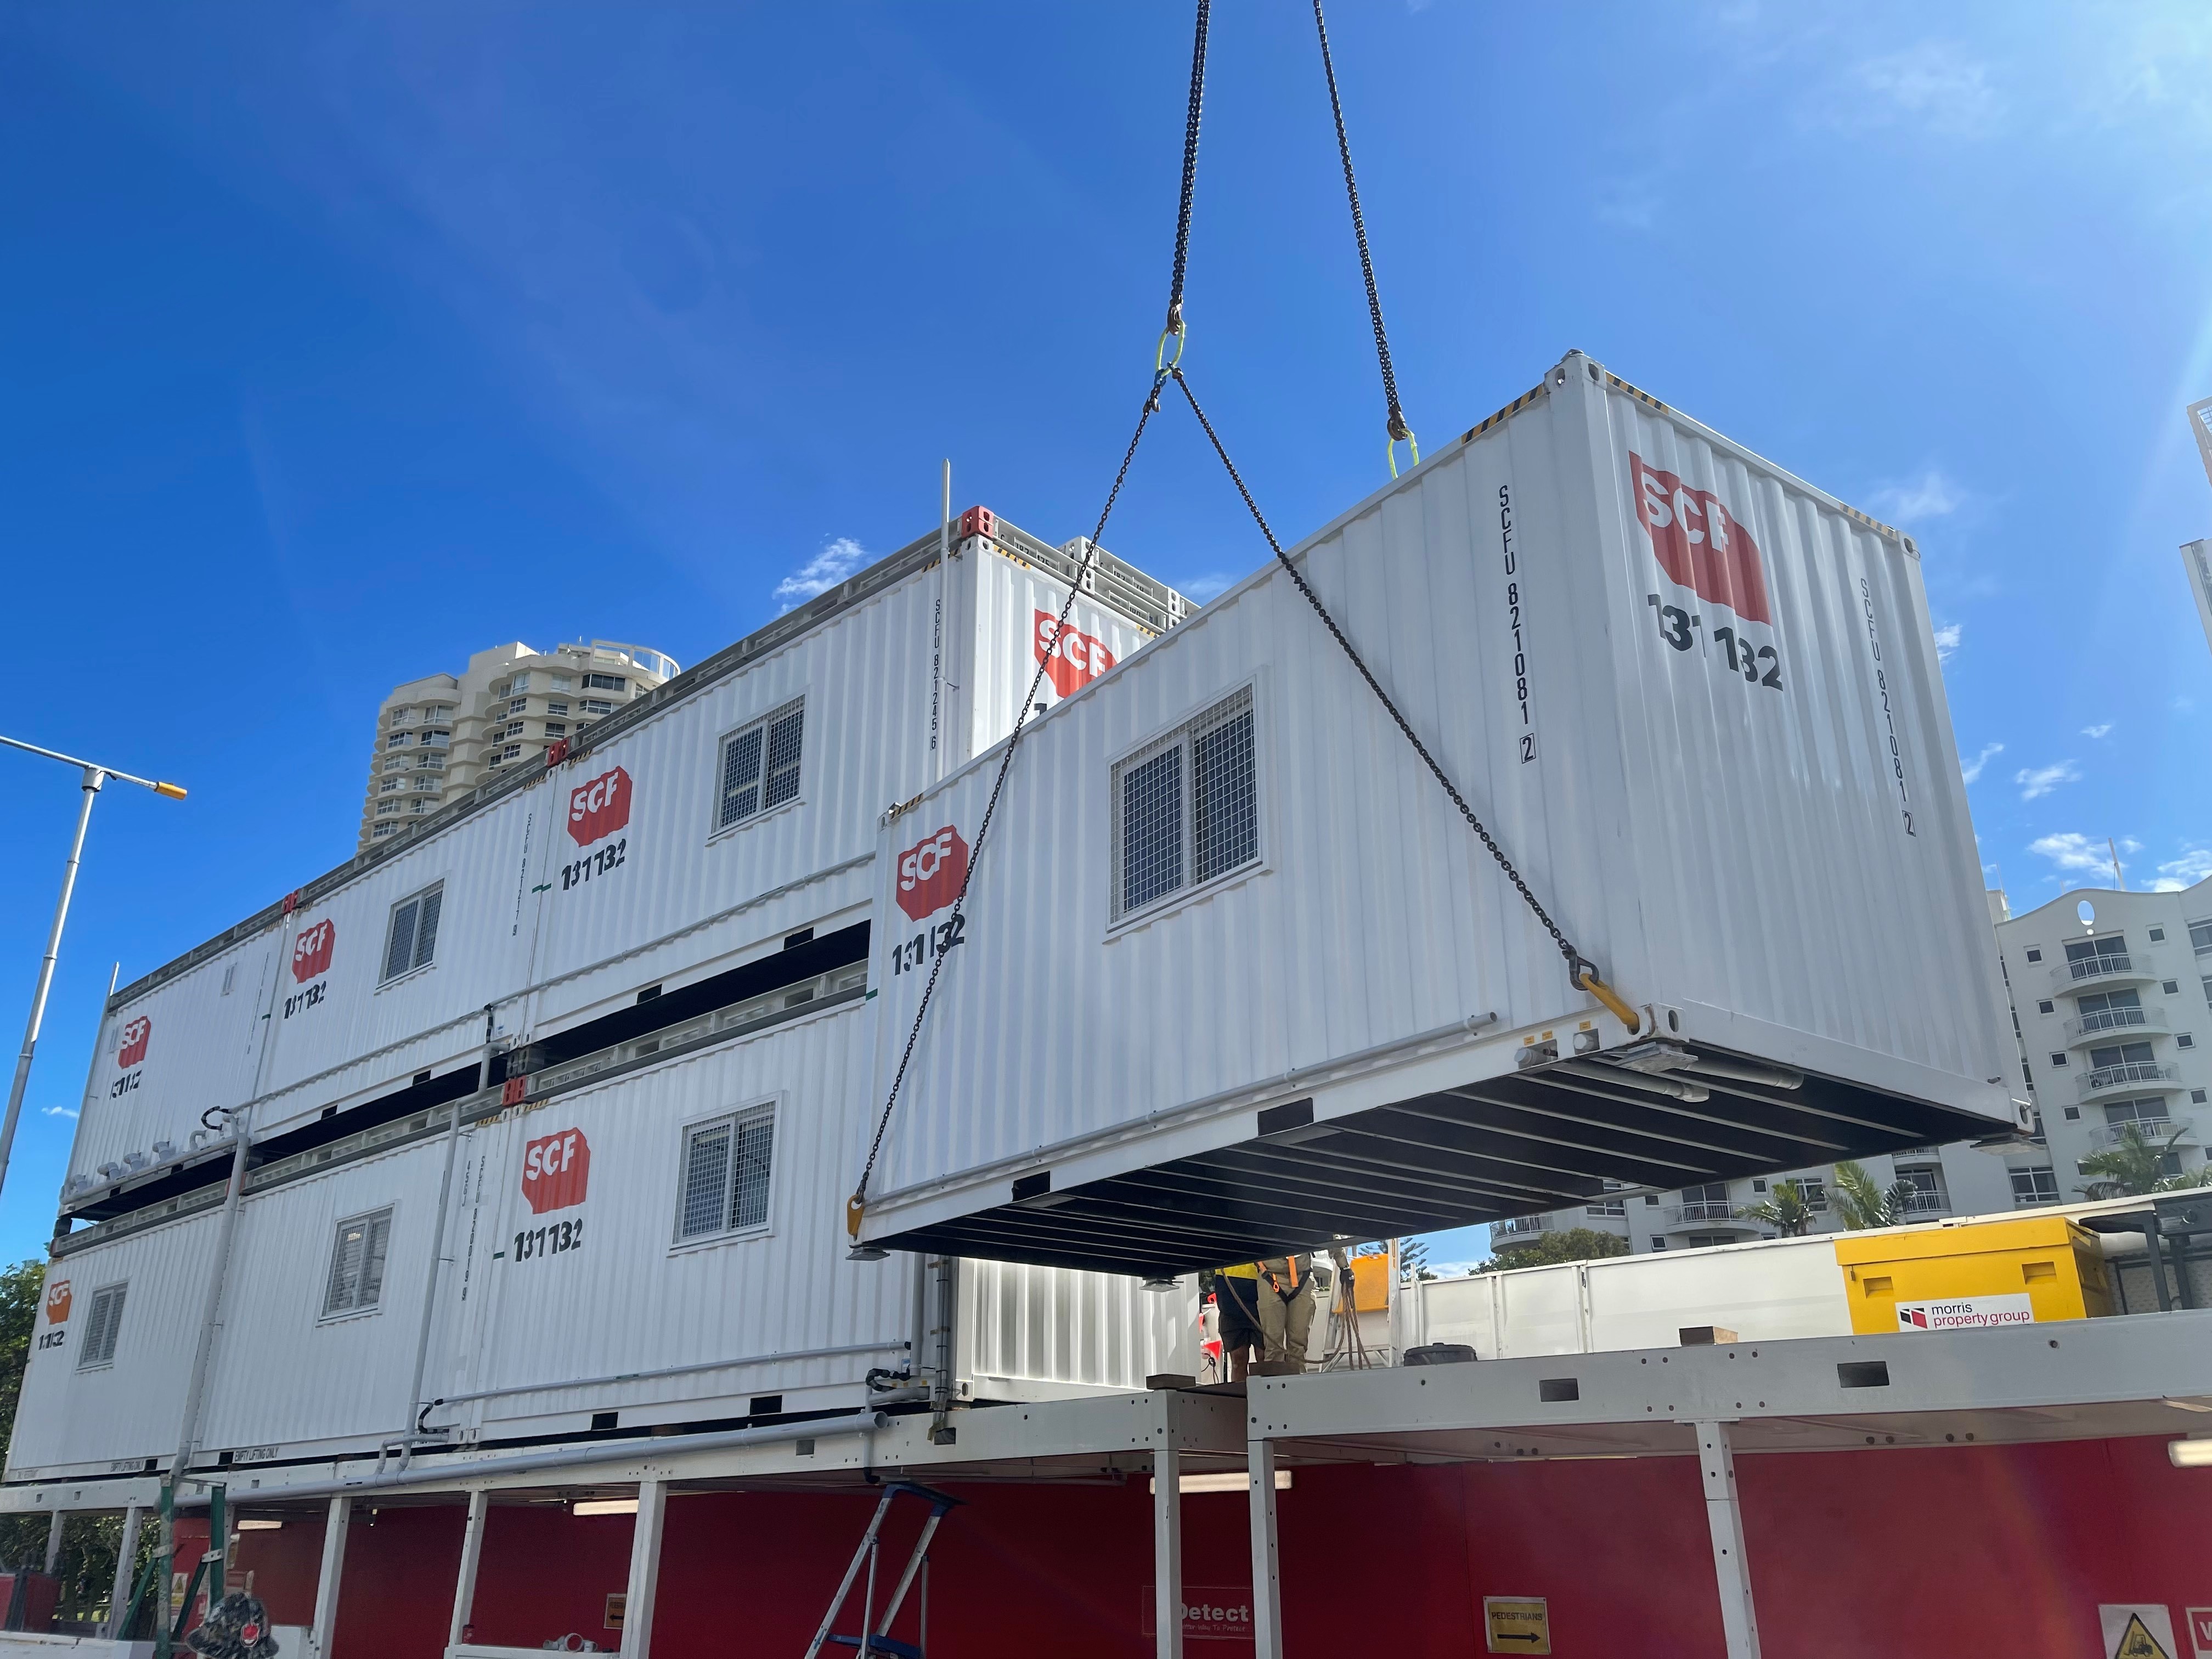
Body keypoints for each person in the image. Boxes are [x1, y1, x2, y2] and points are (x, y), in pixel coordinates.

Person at [1255, 1253, 1318, 1372]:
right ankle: (1275, 1388)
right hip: (1270, 1276)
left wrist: (1344, 1266)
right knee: (1273, 1348)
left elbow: (1329, 1235)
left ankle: (1298, 1387)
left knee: (1298, 1347)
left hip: (1303, 1277)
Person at [1212, 1261, 1265, 1382]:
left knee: (1265, 1358)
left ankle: (1267, 1398)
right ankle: (1241, 1399)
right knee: (1238, 1359)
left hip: (1260, 1287)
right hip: (1228, 1294)